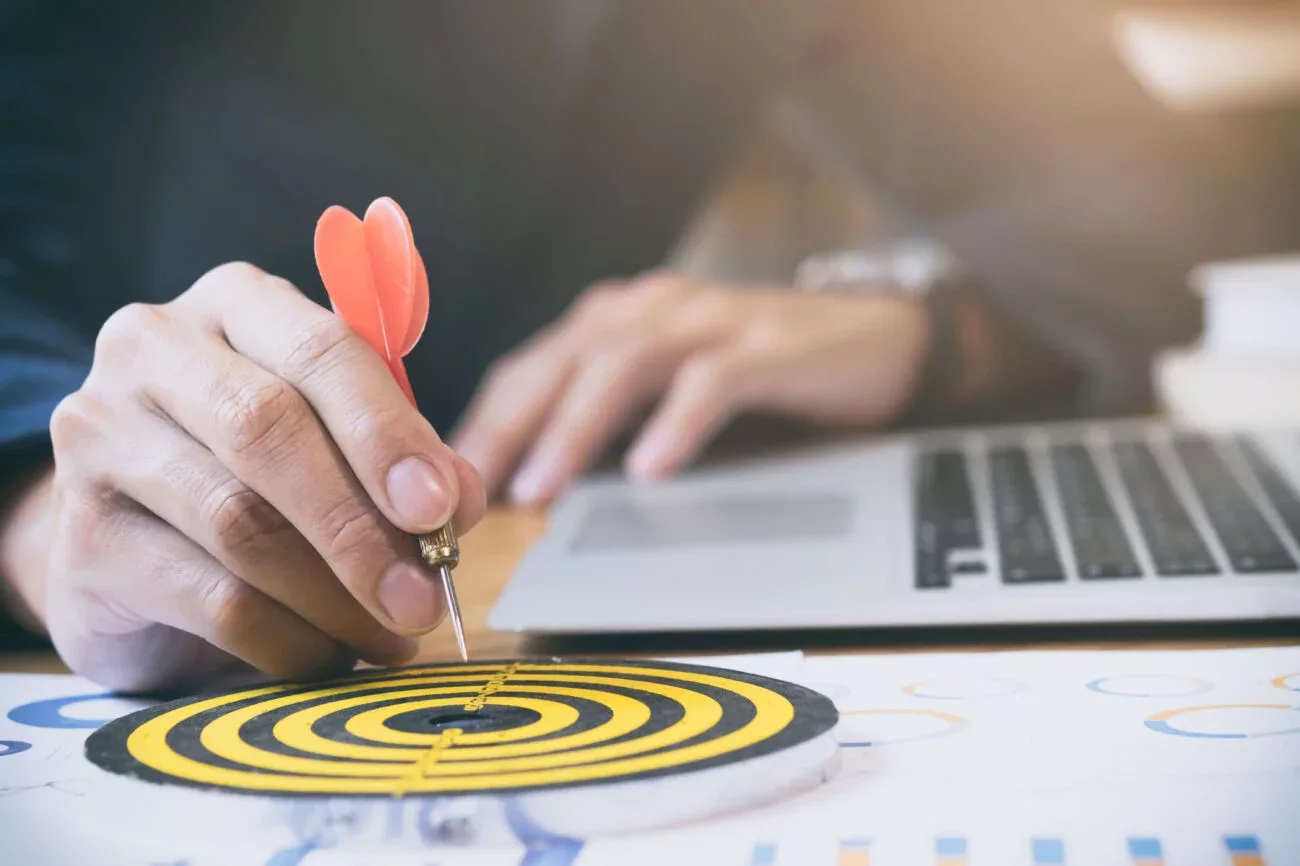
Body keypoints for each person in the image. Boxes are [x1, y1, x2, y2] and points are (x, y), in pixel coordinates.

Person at [0, 1, 1291, 691]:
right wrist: (45, 504)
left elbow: (1150, 186)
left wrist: (913, 326)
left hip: (530, 564)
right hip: (127, 582)